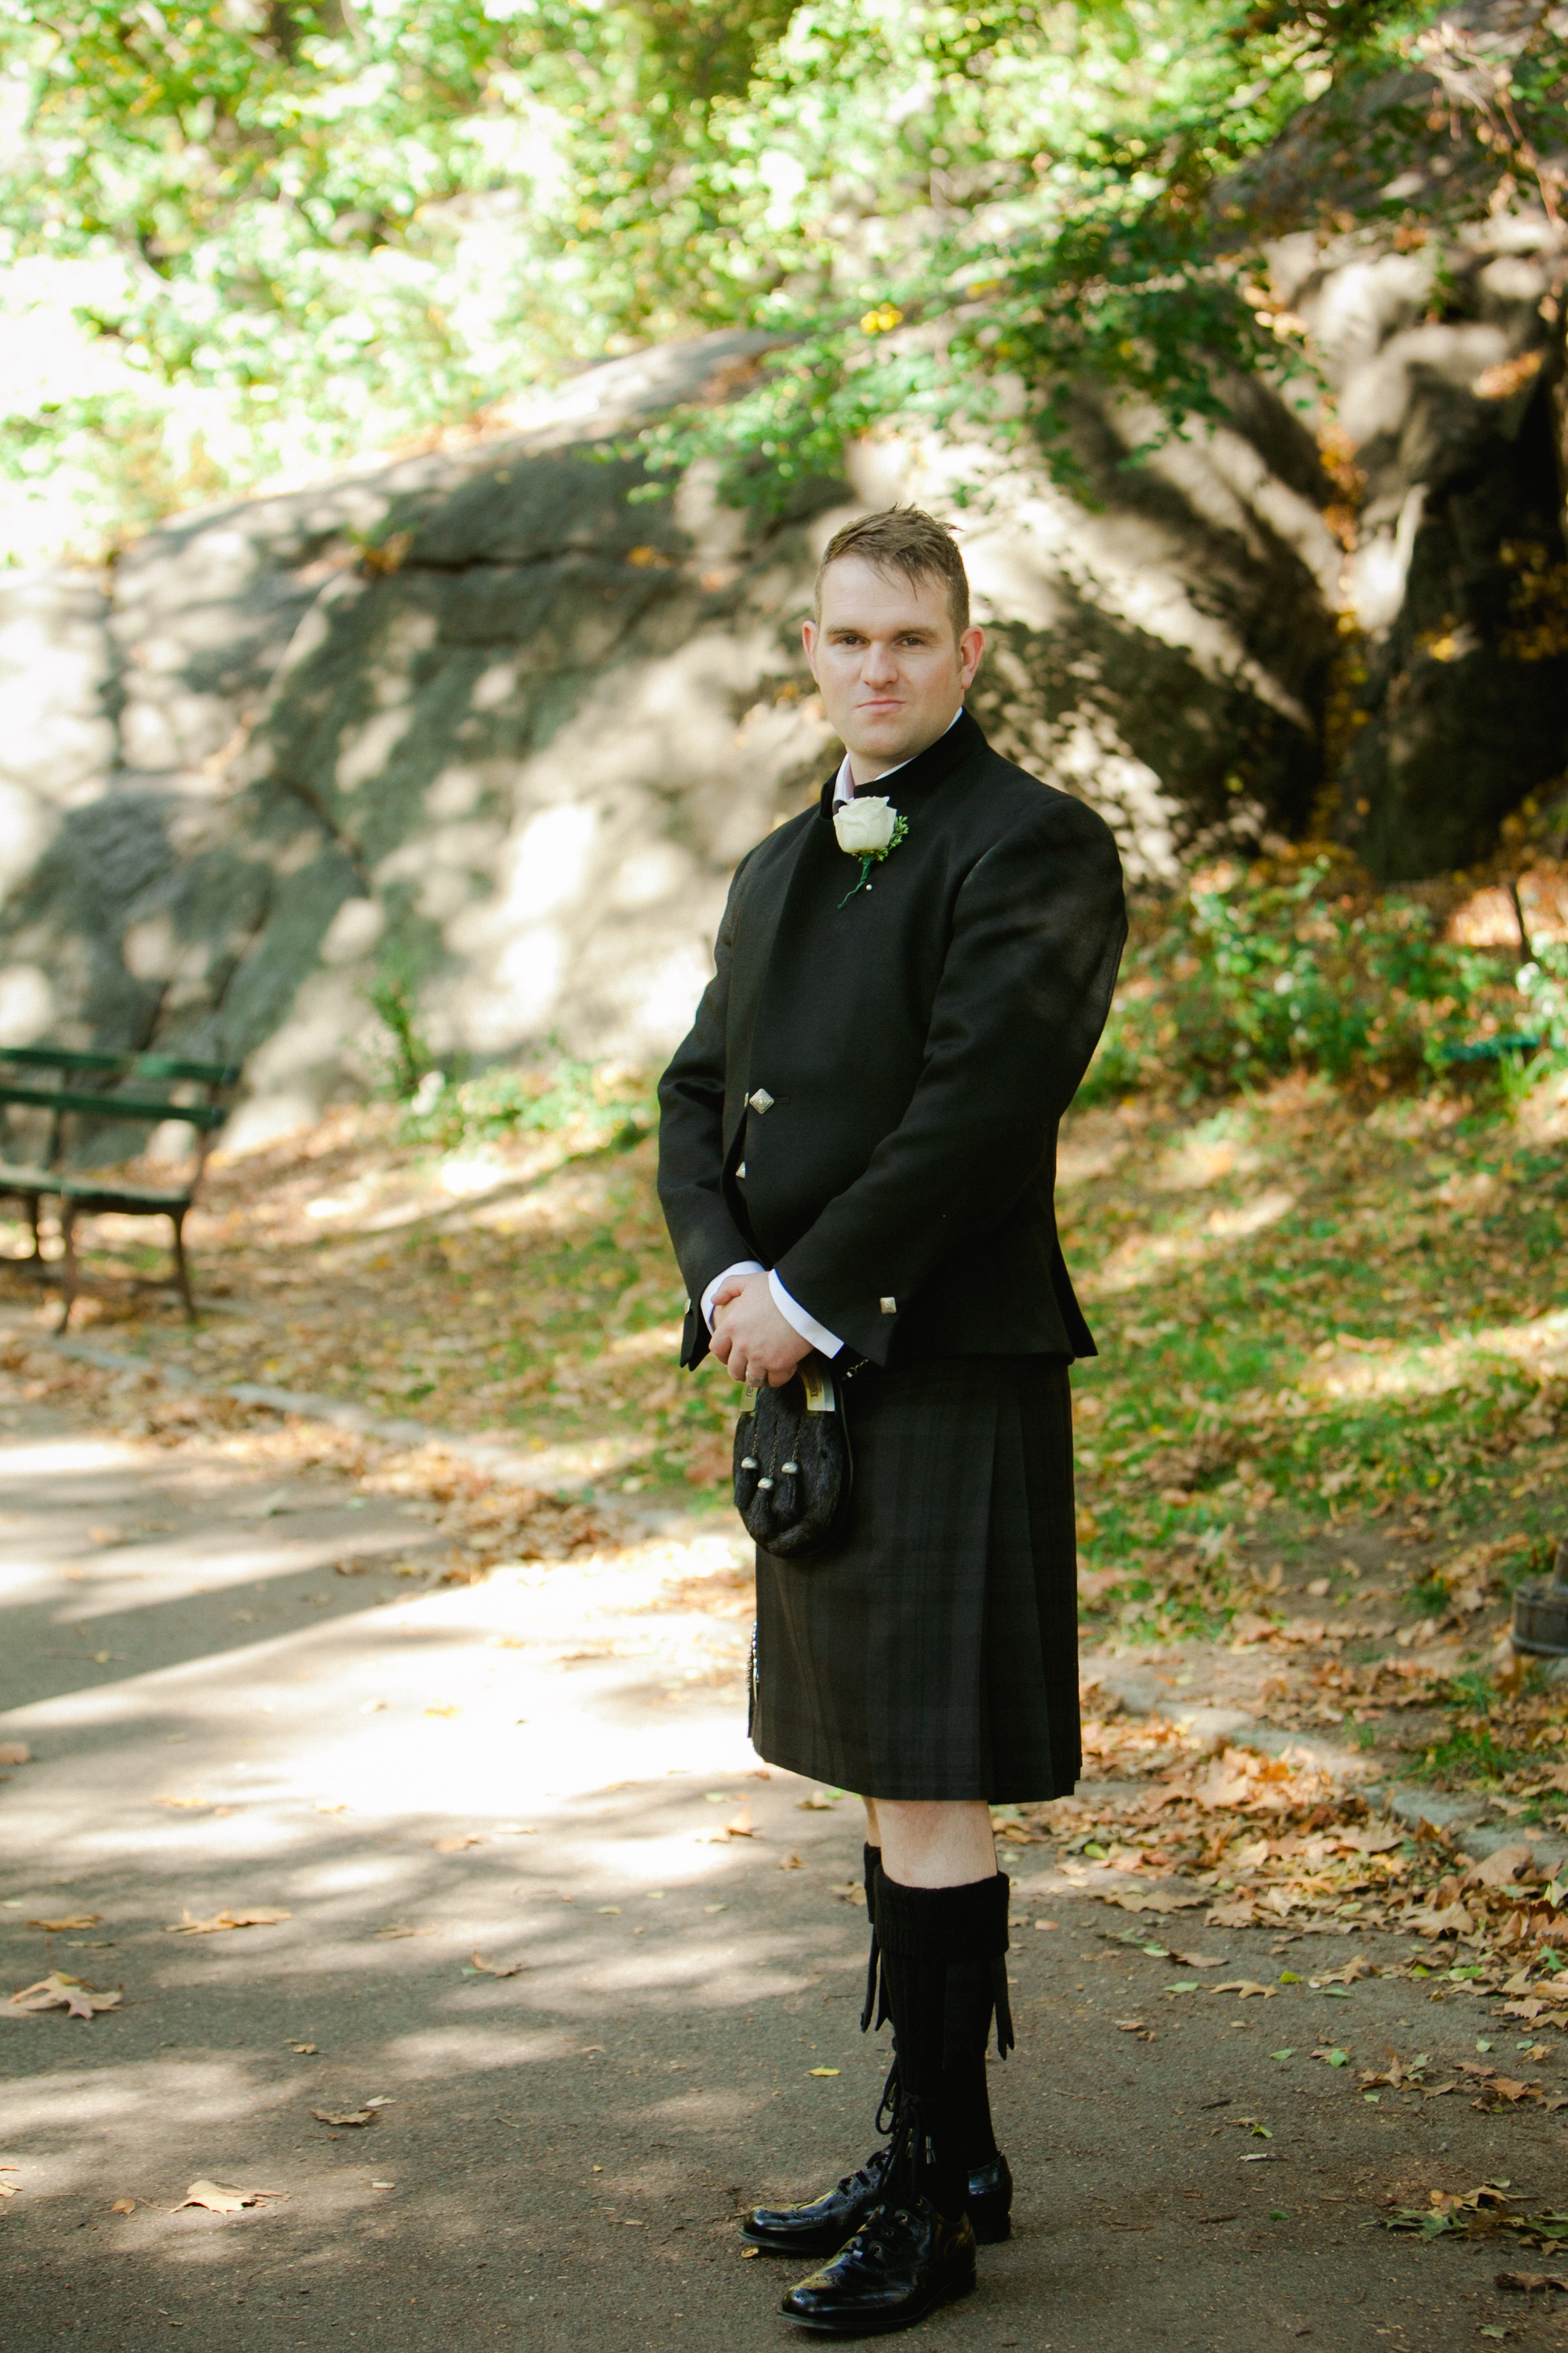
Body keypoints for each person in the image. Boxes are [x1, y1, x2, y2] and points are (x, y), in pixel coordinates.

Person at [657, 506, 1126, 2335]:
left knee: (928, 1784)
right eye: (848, 637)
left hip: (940, 1362)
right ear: (811, 647)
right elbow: (695, 1094)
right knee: (882, 1777)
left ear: (968, 654)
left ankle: (932, 2198)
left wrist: (809, 1297)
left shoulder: (1034, 842)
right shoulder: (779, 858)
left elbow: (979, 1112)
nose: (877, 668)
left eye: (911, 640)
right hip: (809, 1371)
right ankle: (946, 2145)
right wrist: (724, 1277)